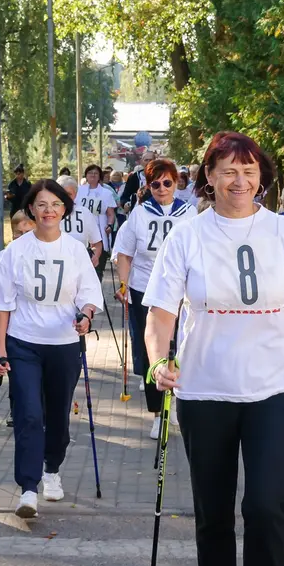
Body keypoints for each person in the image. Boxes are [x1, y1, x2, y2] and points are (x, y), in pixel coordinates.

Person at [142, 131, 284, 566]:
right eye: (227, 170)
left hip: (272, 388)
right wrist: (159, 360)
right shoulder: (187, 235)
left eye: (248, 170)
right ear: (210, 177)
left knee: (267, 506)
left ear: (261, 177)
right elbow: (160, 313)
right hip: (205, 390)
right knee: (213, 509)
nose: (239, 180)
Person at [0, 179, 103, 517]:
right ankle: (27, 487)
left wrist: (86, 316)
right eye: (41, 204)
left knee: (57, 414)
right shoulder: (16, 251)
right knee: (28, 413)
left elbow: (89, 295)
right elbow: (2, 302)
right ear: (31, 210)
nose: (48, 210)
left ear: (64, 209)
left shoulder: (75, 251)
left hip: (64, 344)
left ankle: (52, 468)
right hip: (23, 343)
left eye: (55, 204)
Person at [111, 158, 197, 439]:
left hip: (181, 293)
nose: (161, 188)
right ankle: (159, 413)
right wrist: (124, 284)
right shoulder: (140, 213)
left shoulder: (189, 213)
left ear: (177, 183)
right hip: (145, 290)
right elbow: (124, 252)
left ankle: (178, 405)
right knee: (155, 353)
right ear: (148, 186)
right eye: (155, 184)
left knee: (179, 349)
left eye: (167, 182)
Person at [0, 210, 37, 428]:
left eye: (27, 231)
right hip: (12, 327)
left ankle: (39, 412)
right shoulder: (6, 255)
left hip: (35, 326)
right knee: (17, 374)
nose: (22, 236)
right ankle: (17, 411)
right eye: (18, 232)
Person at [76, 164, 117, 279]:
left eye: (95, 173)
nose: (93, 175)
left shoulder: (106, 193)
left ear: (100, 176)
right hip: (81, 231)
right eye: (90, 173)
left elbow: (110, 213)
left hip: (99, 231)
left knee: (97, 267)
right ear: (86, 176)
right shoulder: (79, 191)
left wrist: (110, 225)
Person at [57, 175, 104, 268]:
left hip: (80, 264)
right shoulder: (50, 213)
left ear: (75, 194)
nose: (65, 197)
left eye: (69, 194)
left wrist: (95, 257)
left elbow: (97, 242)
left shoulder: (84, 213)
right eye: (62, 194)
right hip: (56, 263)